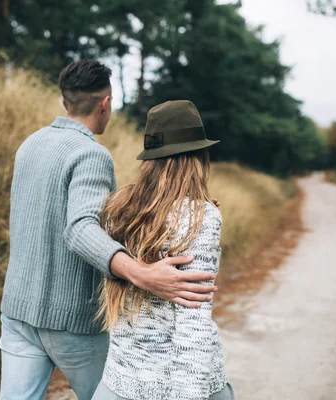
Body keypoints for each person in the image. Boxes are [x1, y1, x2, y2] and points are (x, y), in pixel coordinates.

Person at [0, 61, 219, 400]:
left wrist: (181, 210)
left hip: (17, 311)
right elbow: (81, 228)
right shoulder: (91, 154)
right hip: (71, 320)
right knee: (121, 388)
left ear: (64, 101)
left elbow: (100, 219)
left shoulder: (30, 144)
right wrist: (140, 274)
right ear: (105, 104)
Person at [92, 100, 235, 400]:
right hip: (178, 388)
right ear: (197, 156)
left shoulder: (119, 209)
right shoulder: (200, 218)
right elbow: (192, 327)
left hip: (119, 382)